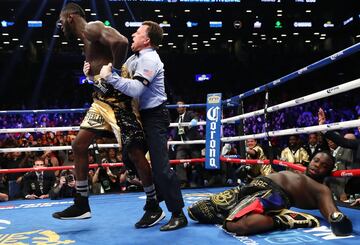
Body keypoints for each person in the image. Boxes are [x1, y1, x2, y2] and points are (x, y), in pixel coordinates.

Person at [53, 3, 161, 227]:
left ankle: (153, 205)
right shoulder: (86, 38)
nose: (60, 26)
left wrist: (112, 71)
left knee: (135, 153)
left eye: (61, 20)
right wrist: (92, 76)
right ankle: (81, 203)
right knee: (79, 145)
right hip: (100, 101)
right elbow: (100, 64)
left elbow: (120, 42)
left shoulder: (92, 27)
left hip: (119, 101)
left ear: (71, 17)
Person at [95, 21, 187, 231]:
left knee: (161, 168)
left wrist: (111, 77)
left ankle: (178, 214)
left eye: (137, 33)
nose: (133, 36)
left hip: (155, 116)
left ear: (147, 40)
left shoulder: (150, 59)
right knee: (130, 155)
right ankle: (154, 203)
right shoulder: (133, 58)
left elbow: (135, 89)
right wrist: (94, 76)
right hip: (140, 115)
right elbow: (116, 81)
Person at [187, 152, 353, 236]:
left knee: (235, 225)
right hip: (253, 186)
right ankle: (234, 210)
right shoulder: (299, 173)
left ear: (329, 171)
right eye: (316, 160)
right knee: (197, 210)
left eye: (323, 165)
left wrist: (337, 219)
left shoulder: (321, 189)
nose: (317, 165)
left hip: (272, 194)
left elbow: (334, 215)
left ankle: (282, 220)